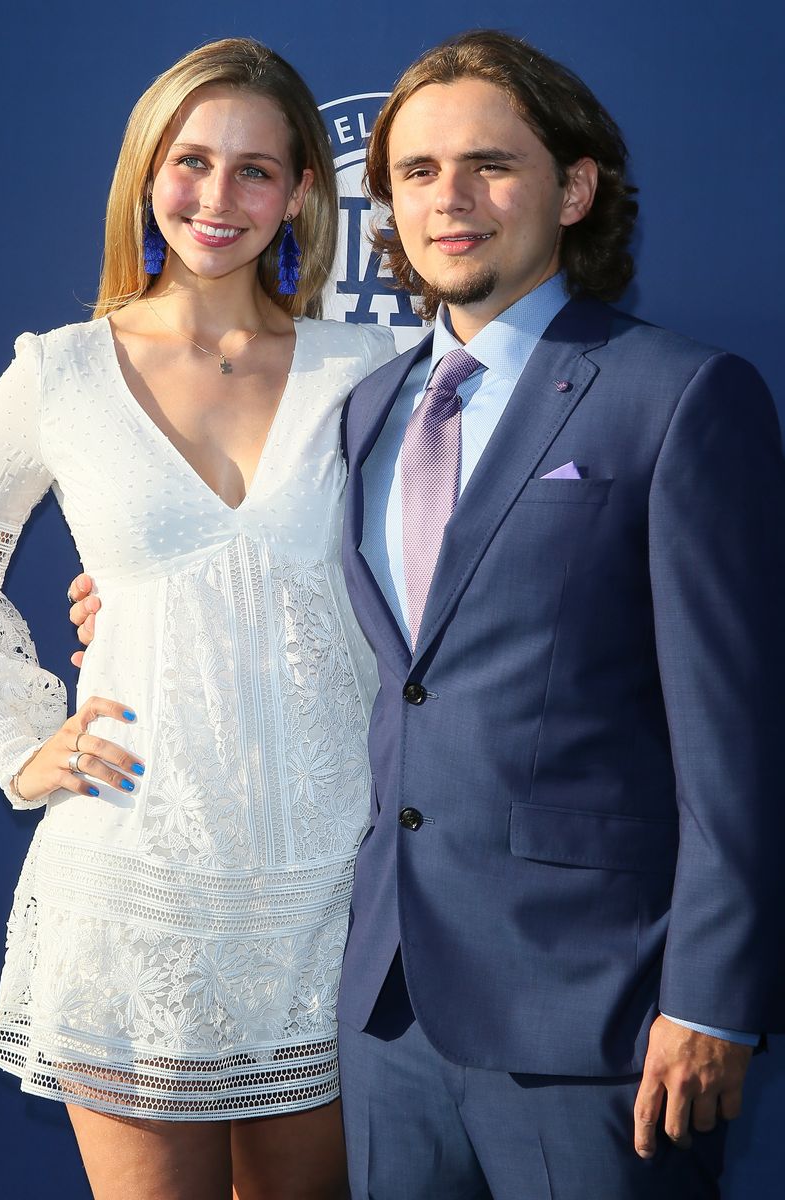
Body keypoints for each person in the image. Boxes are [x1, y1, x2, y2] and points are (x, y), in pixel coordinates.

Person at [73, 27, 785, 1199]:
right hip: (384, 1013)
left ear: (575, 187)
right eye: (414, 173)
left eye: (489, 166)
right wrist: (143, 607)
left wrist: (713, 997)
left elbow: (738, 740)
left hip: (599, 1020)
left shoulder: (680, 398)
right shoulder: (366, 408)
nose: (448, 200)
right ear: (382, 205)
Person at [0, 37, 394, 1200]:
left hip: (329, 885)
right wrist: (21, 738)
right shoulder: (58, 374)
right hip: (135, 875)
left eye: (257, 170)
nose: (219, 198)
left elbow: (445, 584)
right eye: (192, 160)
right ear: (146, 173)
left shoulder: (376, 366)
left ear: (305, 190)